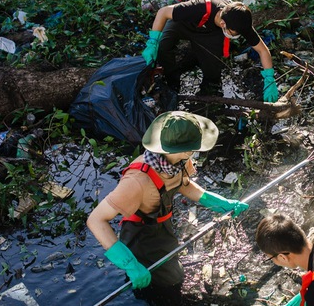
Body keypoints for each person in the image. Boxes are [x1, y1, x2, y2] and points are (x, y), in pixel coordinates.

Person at [86, 111, 249, 295]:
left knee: (172, 271)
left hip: (163, 225)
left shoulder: (179, 161)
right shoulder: (136, 181)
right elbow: (96, 220)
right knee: (168, 283)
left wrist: (220, 203)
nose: (195, 152)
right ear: (184, 149)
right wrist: (129, 264)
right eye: (194, 147)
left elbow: (185, 186)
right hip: (141, 237)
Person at [141, 0, 279, 102]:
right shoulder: (197, 7)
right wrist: (152, 42)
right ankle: (172, 82)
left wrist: (269, 79)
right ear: (223, 23)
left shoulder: (239, 19)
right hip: (186, 23)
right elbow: (163, 12)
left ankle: (208, 94)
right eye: (234, 33)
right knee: (163, 47)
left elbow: (263, 50)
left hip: (211, 33)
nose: (236, 36)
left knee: (212, 73)